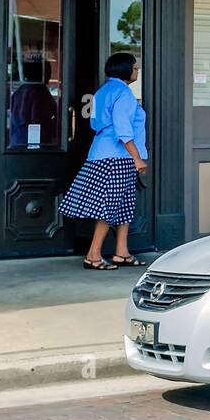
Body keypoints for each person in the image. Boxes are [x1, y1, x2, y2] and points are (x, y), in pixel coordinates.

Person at [61, 51, 147, 270]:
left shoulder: (102, 92)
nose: (137, 71)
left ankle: (122, 252)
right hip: (118, 156)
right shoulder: (123, 93)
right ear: (125, 69)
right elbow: (123, 128)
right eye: (135, 67)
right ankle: (94, 255)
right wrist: (137, 158)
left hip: (101, 152)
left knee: (124, 203)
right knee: (109, 206)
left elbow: (94, 124)